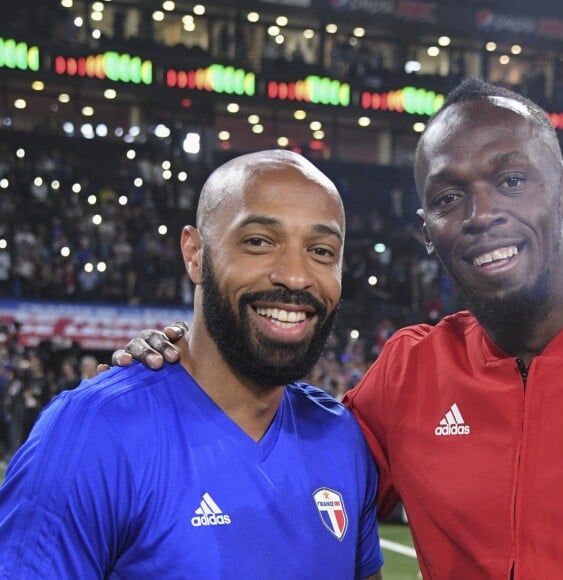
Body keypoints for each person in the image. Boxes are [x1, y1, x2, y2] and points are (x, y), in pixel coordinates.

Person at [118, 79, 563, 579]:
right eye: (449, 197)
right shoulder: (412, 373)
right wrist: (167, 383)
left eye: (511, 180)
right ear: (427, 232)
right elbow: (292, 471)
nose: (482, 214)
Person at [0, 150, 383, 579]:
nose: (296, 276)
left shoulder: (342, 438)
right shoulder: (92, 433)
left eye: (321, 250)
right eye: (258, 241)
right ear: (195, 254)